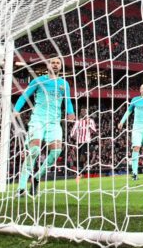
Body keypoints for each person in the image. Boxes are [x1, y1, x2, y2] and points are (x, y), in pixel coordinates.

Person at [13, 57, 75, 197]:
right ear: (47, 65)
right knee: (34, 150)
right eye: (52, 62)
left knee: (56, 151)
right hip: (38, 120)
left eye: (58, 63)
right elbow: (24, 95)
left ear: (60, 67)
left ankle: (36, 177)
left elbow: (68, 101)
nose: (55, 65)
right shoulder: (38, 80)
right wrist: (16, 109)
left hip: (54, 122)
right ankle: (21, 187)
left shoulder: (64, 84)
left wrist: (70, 112)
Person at [70, 108, 97, 180]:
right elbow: (72, 132)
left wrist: (89, 125)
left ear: (86, 112)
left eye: (84, 111)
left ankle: (80, 173)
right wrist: (74, 136)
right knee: (79, 159)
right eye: (82, 111)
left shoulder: (90, 121)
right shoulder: (78, 122)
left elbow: (94, 130)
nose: (83, 113)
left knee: (82, 157)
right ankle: (80, 173)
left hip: (86, 141)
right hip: (79, 142)